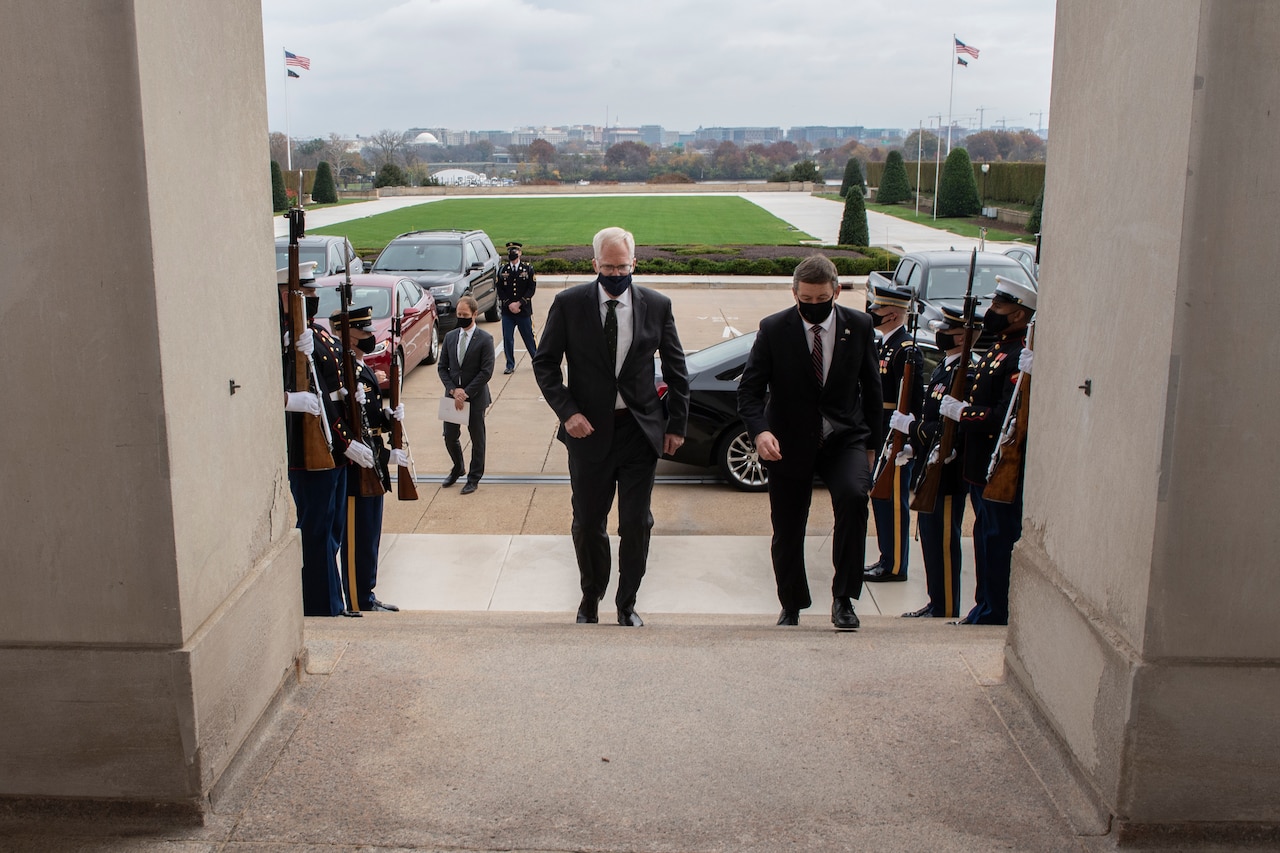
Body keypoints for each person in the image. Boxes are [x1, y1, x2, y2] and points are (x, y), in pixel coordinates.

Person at [532, 226, 689, 627]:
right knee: (587, 523)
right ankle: (591, 595)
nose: (616, 274)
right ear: (594, 264)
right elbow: (546, 364)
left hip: (640, 431)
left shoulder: (657, 305)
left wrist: (675, 425)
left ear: (634, 263)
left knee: (637, 523)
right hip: (588, 434)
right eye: (608, 266)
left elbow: (677, 369)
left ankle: (627, 603)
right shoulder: (569, 304)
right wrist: (567, 412)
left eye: (623, 266)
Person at [737, 255, 883, 631]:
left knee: (853, 498)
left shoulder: (860, 325)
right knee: (787, 525)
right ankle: (791, 603)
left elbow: (872, 389)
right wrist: (760, 431)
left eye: (822, 299)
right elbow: (749, 392)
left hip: (844, 437)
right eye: (806, 299)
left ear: (836, 291)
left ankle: (844, 599)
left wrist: (872, 445)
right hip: (787, 440)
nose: (814, 307)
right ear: (794, 293)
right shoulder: (773, 329)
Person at [278, 261, 376, 617]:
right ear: (288, 298)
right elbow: (303, 391)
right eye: (306, 294)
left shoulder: (316, 334)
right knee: (318, 533)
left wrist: (352, 421)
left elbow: (330, 391)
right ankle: (324, 607)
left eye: (314, 292)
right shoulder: (280, 336)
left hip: (331, 449)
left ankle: (332, 602)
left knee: (331, 530)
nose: (313, 298)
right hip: (309, 450)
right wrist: (285, 353)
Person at [939, 275, 1036, 625]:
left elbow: (1002, 416)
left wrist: (962, 412)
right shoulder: (1000, 348)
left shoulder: (1018, 354)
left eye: (998, 306)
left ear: (1018, 315)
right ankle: (983, 605)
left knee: (997, 537)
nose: (990, 312)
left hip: (999, 464)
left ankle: (996, 609)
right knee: (983, 534)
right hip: (979, 463)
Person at [900, 302, 983, 619]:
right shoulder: (944, 368)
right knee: (932, 540)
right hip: (931, 466)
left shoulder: (966, 373)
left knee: (943, 542)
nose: (939, 334)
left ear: (963, 337)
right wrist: (913, 445)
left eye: (946, 330)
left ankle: (945, 605)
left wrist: (912, 428)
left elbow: (952, 430)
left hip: (947, 474)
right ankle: (937, 601)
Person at [330, 305, 407, 612]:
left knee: (370, 532)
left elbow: (370, 418)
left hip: (371, 465)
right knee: (356, 536)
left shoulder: (360, 367)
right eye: (363, 332)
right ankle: (356, 598)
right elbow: (350, 426)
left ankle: (367, 593)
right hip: (358, 467)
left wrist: (389, 417)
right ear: (346, 335)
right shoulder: (342, 369)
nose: (369, 337)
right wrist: (386, 455)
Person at [864, 281, 923, 583]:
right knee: (881, 499)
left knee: (894, 501)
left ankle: (896, 564)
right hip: (881, 431)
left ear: (894, 315)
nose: (873, 313)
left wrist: (906, 441)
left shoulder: (906, 350)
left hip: (895, 437)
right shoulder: (885, 345)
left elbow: (912, 400)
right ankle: (886, 557)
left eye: (879, 310)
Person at [437, 295, 494, 496]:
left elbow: (486, 371)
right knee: (450, 436)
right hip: (453, 397)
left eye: (465, 315)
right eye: (458, 314)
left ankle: (474, 477)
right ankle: (458, 467)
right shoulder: (451, 337)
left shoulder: (485, 339)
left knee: (477, 439)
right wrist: (454, 390)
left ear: (475, 314)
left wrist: (466, 392)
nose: (461, 318)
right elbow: (442, 367)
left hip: (476, 398)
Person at [495, 240, 538, 374]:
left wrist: (519, 303)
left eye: (514, 251)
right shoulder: (503, 270)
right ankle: (510, 364)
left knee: (529, 338)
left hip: (523, 311)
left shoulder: (527, 269)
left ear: (520, 253)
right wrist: (509, 304)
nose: (512, 254)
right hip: (508, 312)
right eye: (510, 251)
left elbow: (531, 288)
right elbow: (500, 289)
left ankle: (536, 362)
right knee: (507, 338)